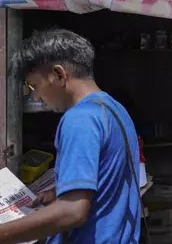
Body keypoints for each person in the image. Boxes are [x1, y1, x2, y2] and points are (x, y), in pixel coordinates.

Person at [5, 29, 141, 243]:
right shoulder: (112, 108)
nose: (37, 96)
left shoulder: (79, 119)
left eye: (34, 85)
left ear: (59, 74)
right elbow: (108, 174)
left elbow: (73, 211)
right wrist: (60, 191)